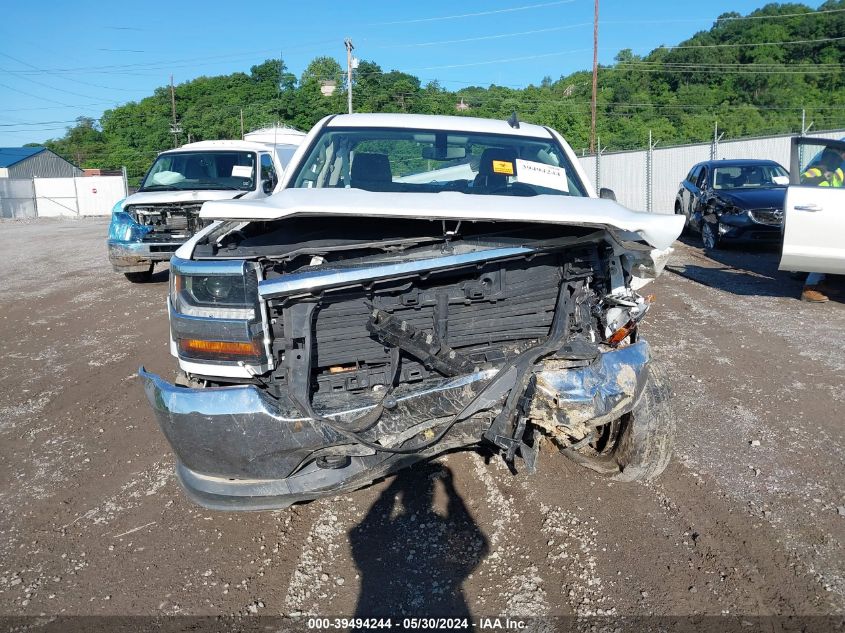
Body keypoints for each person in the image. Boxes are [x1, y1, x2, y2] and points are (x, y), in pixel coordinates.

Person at [799, 147, 845, 302]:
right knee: (822, 248)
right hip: (819, 213)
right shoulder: (815, 172)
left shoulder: (836, 172)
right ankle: (809, 288)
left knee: (828, 251)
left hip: (832, 213)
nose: (841, 159)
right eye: (839, 156)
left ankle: (818, 283)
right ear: (830, 157)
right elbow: (808, 186)